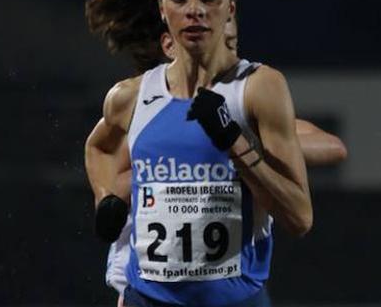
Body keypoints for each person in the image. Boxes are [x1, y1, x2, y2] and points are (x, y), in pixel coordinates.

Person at [85, 0, 318, 306]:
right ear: (162, 8)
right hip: (147, 298)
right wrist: (105, 199)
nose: (195, 10)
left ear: (230, 8)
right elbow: (98, 146)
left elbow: (300, 218)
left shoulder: (258, 89)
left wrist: (235, 143)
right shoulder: (130, 96)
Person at [90, 29, 346, 306]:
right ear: (169, 45)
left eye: (232, 45)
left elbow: (333, 147)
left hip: (230, 289)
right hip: (147, 281)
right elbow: (103, 154)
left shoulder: (240, 107)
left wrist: (240, 147)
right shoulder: (143, 105)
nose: (224, 56)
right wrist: (105, 197)